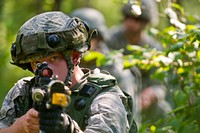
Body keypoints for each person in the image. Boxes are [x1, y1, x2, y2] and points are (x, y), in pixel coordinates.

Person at [0, 11, 137, 133]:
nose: (45, 70)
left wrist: (68, 128)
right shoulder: (23, 91)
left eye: (53, 59)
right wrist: (20, 127)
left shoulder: (105, 97)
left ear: (75, 57)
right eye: (37, 63)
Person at [70, 7, 140, 129]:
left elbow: (127, 117)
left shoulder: (116, 69)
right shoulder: (66, 64)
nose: (79, 42)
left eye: (86, 36)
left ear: (99, 38)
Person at [106, 0, 172, 124]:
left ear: (145, 22)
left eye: (136, 19)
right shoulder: (111, 40)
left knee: (164, 110)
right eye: (128, 17)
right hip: (114, 95)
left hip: (142, 101)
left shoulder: (153, 48)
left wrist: (150, 95)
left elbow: (160, 86)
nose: (130, 22)